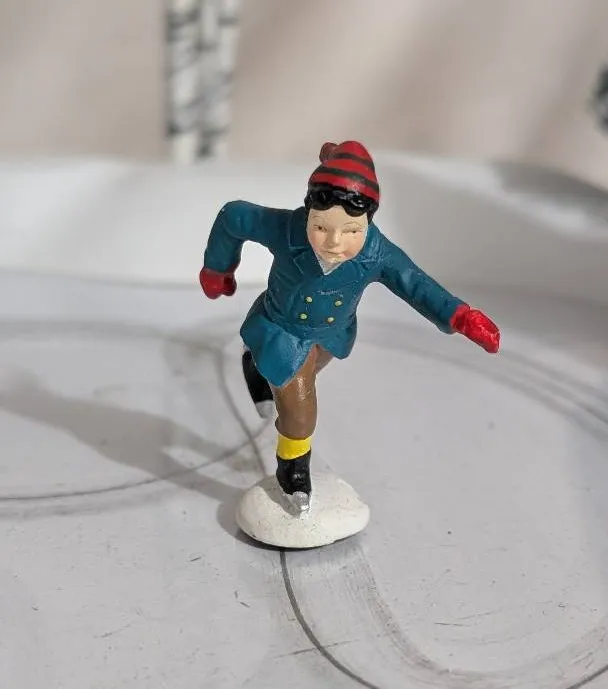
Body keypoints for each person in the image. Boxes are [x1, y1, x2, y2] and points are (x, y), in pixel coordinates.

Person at [199, 140, 499, 511]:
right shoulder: (286, 229)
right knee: (300, 411)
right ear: (308, 212)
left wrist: (460, 316)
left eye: (351, 231)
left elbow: (416, 284)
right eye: (321, 227)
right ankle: (293, 470)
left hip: (330, 336)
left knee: (300, 377)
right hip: (283, 331)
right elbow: (234, 217)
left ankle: (256, 364)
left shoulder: (377, 253)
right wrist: (218, 267)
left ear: (367, 222)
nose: (334, 242)